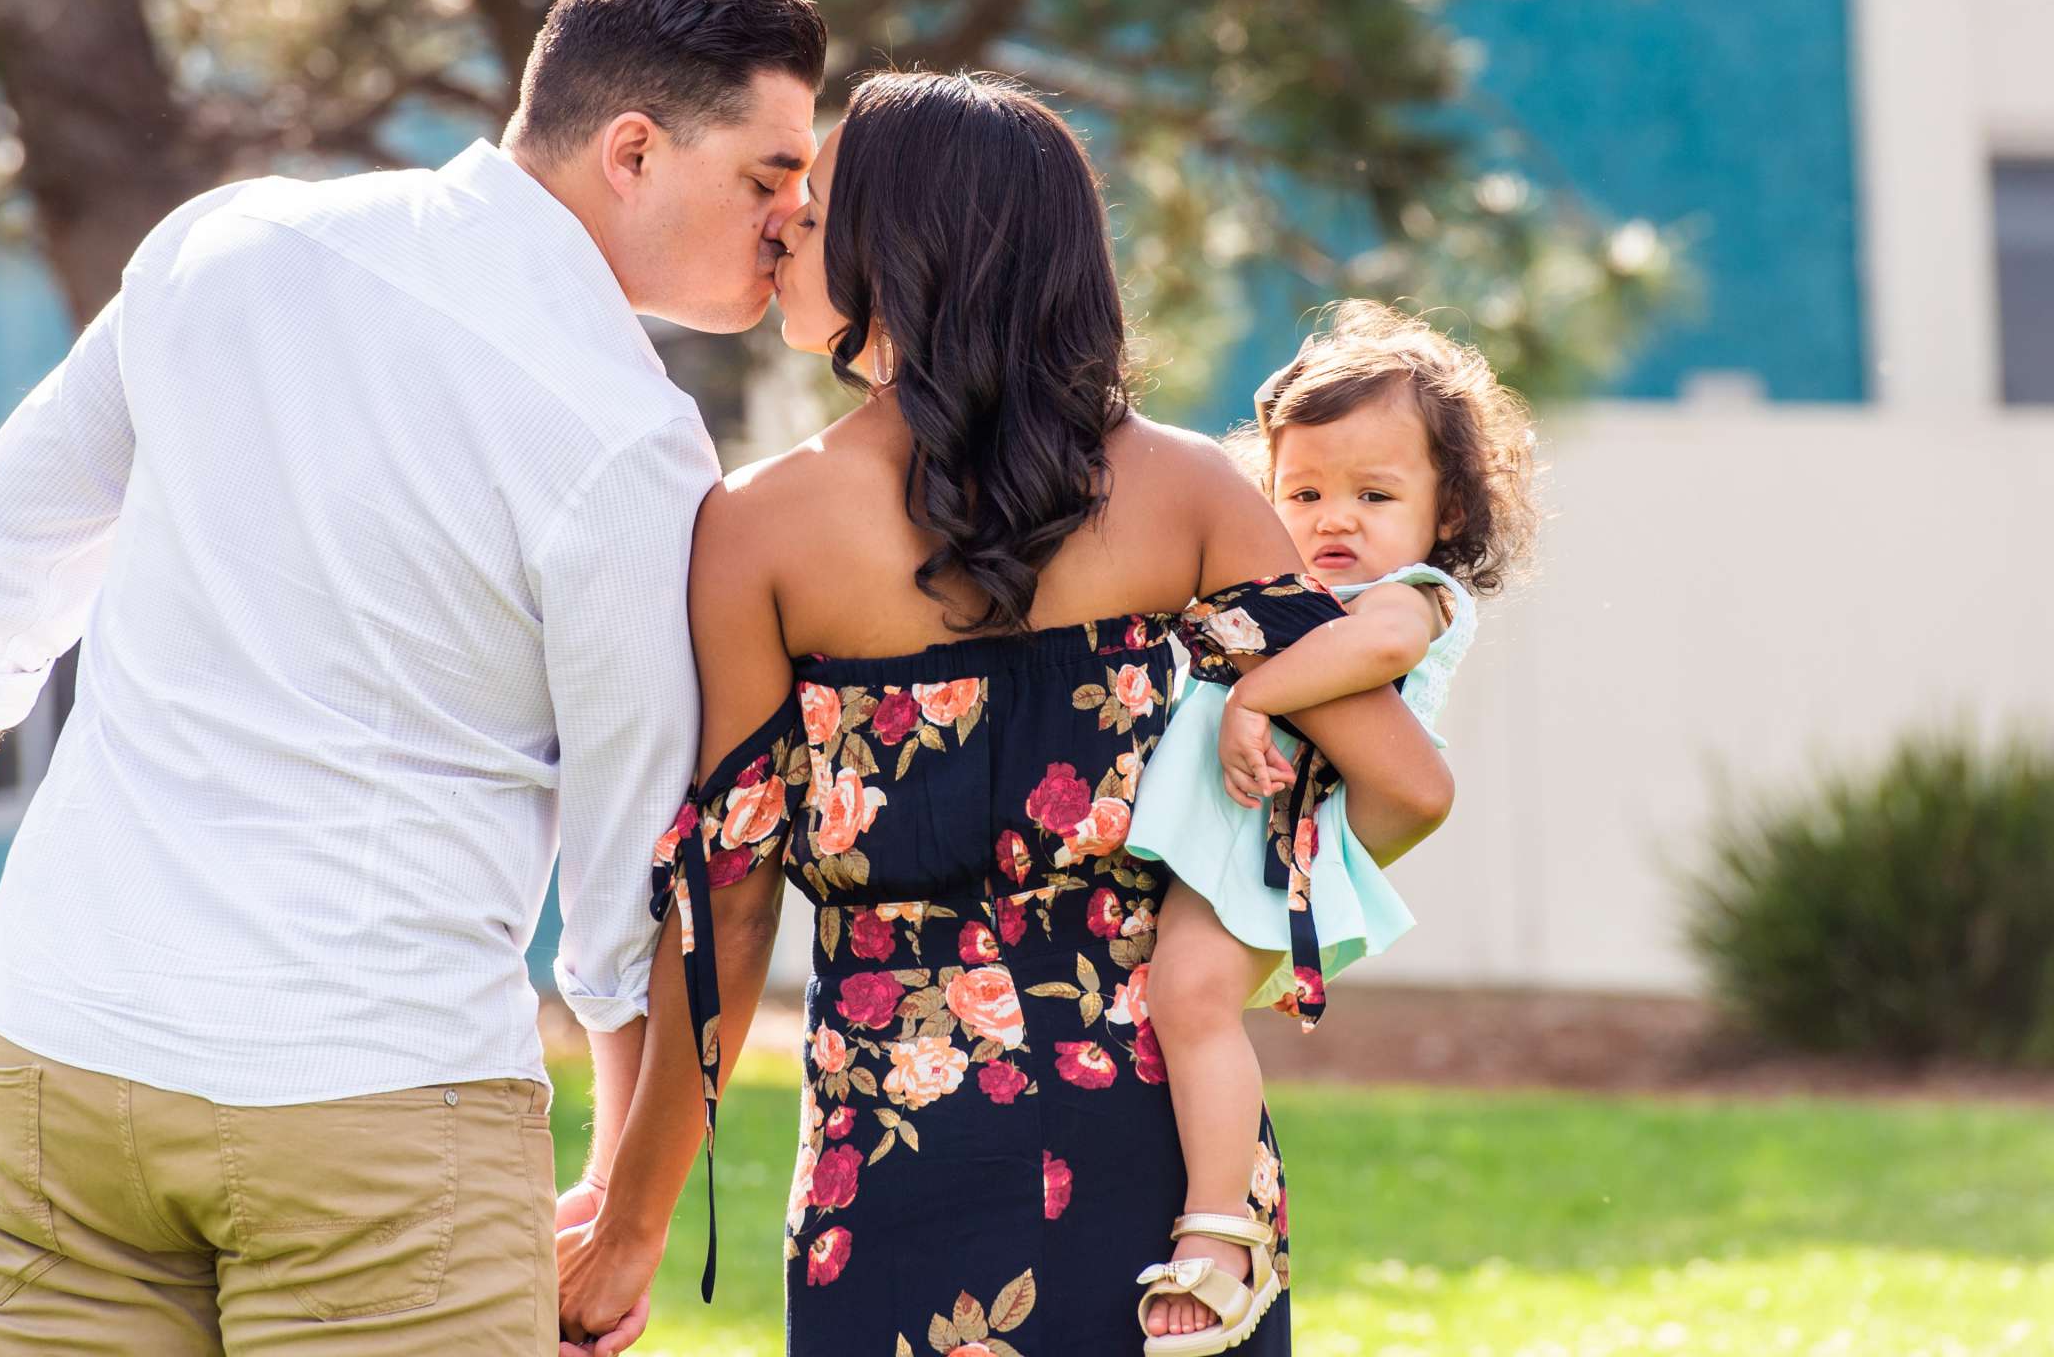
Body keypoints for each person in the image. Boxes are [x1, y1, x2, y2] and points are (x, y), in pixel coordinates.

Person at [0, 0, 825, 1355]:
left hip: (59, 1060)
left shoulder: (235, 241)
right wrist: (618, 1208)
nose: (795, 221)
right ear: (632, 151)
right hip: (377, 1123)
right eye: (770, 177)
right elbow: (642, 872)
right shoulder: (631, 447)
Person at [554, 72, 1455, 1357]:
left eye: (820, 209)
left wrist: (630, 1229)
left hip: (899, 1152)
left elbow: (732, 902)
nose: (786, 223)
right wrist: (1224, 941)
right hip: (1175, 1177)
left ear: (903, 250)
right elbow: (1409, 787)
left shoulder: (758, 529)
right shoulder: (1192, 490)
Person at [1125, 299, 1540, 1348]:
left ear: (1446, 513)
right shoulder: (1286, 587)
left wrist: (1258, 698)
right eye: (1303, 491)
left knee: (1190, 999)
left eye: (1374, 492)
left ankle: (1219, 1224)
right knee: (1175, 997)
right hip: (1237, 825)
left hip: (1278, 840)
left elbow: (1369, 653)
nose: (1334, 517)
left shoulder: (1417, 594)